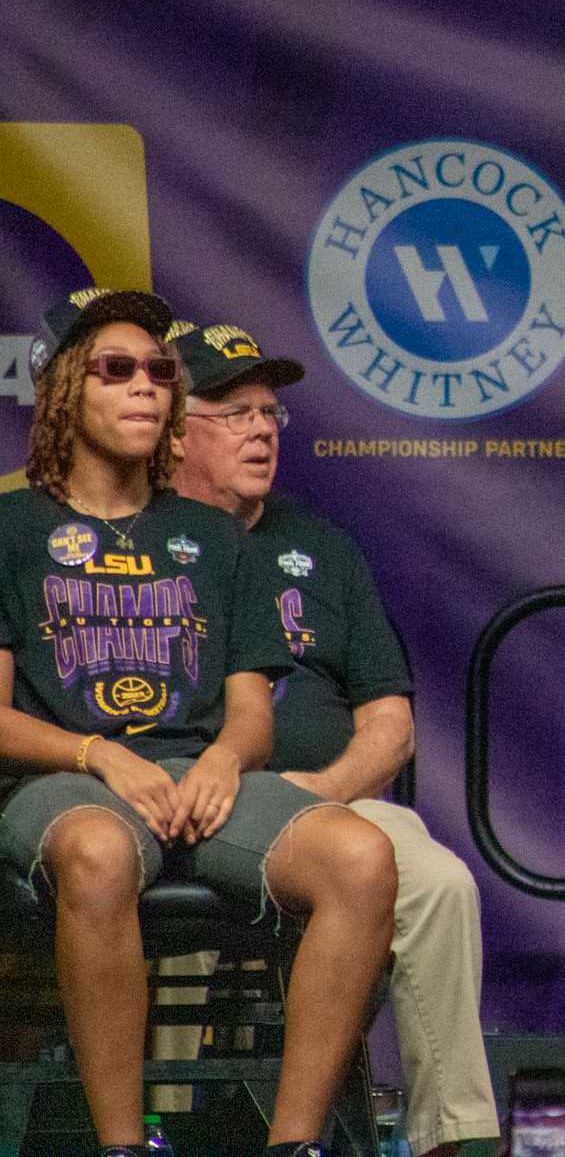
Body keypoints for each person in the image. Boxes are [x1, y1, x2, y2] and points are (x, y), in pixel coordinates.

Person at [0, 289, 395, 1157]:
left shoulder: (216, 540)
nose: (144, 386)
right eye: (117, 368)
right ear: (68, 386)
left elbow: (252, 708)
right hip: (62, 781)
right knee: (100, 853)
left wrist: (224, 757)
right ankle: (123, 1146)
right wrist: (99, 753)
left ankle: (292, 1144)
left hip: (202, 782)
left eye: (158, 371)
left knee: (363, 857)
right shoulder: (13, 528)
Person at [164, 319, 501, 1157]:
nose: (260, 429)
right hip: (180, 803)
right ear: (175, 431)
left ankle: (450, 1139)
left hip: (328, 804)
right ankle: (152, 1128)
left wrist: (323, 791)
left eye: (270, 413)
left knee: (440, 881)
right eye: (233, 411)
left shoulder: (319, 546)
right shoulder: (135, 544)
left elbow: (390, 722)